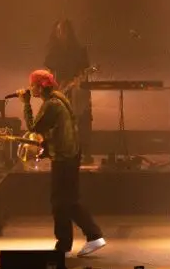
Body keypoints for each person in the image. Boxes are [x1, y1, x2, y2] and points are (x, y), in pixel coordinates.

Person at [22, 68, 107, 257]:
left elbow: (34, 127)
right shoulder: (58, 99)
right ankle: (86, 238)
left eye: (32, 85)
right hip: (70, 154)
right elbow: (58, 129)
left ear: (40, 87)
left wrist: (26, 103)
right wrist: (47, 147)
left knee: (60, 202)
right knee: (68, 201)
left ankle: (70, 244)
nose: (30, 88)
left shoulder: (51, 104)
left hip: (64, 157)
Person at [44, 19, 94, 161]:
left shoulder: (79, 51)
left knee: (82, 119)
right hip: (60, 90)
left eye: (64, 30)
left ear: (70, 32)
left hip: (77, 91)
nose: (61, 33)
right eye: (59, 31)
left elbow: (85, 71)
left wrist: (77, 80)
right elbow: (49, 71)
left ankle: (84, 152)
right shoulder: (54, 52)